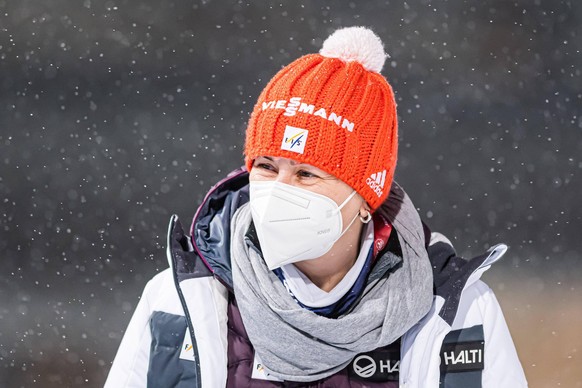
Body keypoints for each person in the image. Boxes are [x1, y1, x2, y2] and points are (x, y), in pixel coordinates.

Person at [104, 27, 527, 387]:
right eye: (267, 167)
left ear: (365, 198)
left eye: (307, 174)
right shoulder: (182, 298)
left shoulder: (455, 310)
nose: (278, 191)